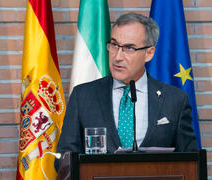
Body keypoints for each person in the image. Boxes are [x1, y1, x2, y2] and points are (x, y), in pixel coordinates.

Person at [55, 12, 198, 170]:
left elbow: (190, 163)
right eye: (114, 45)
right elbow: (64, 159)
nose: (117, 57)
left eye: (129, 48)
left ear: (149, 53)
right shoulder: (82, 96)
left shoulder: (175, 100)